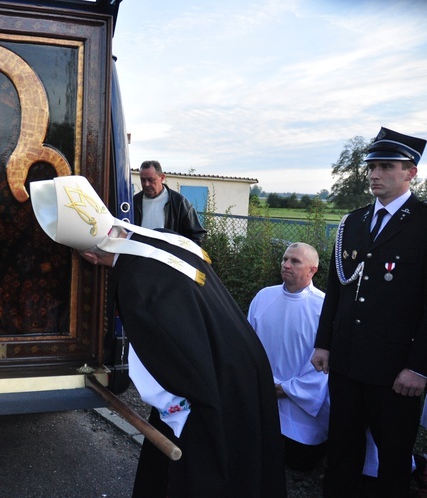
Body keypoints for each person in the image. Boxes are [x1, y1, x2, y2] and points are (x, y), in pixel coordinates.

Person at [30, 175, 287, 497]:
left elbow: (168, 365)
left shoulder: (136, 284)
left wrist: (175, 408)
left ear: (90, 256)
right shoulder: (162, 239)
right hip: (244, 361)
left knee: (208, 466)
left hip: (215, 383)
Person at [312, 127, 427, 497]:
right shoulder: (354, 222)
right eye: (372, 167)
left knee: (392, 461)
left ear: (410, 172)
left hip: (395, 370)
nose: (375, 174)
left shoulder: (424, 223)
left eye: (386, 166)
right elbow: (336, 291)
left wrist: (419, 366)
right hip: (345, 361)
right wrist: (323, 343)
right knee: (342, 451)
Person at [248, 242, 329, 470]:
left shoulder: (323, 306)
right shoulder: (264, 297)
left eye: (295, 261)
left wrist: (287, 390)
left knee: (299, 462)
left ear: (312, 270)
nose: (286, 265)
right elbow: (248, 344)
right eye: (285, 259)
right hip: (263, 395)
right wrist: (260, 383)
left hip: (302, 406)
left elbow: (324, 363)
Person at [133, 160, 206, 244]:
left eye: (151, 180)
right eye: (143, 180)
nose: (146, 184)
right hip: (140, 254)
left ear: (162, 178)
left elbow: (198, 235)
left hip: (167, 255)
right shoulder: (134, 202)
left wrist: (181, 252)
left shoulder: (179, 203)